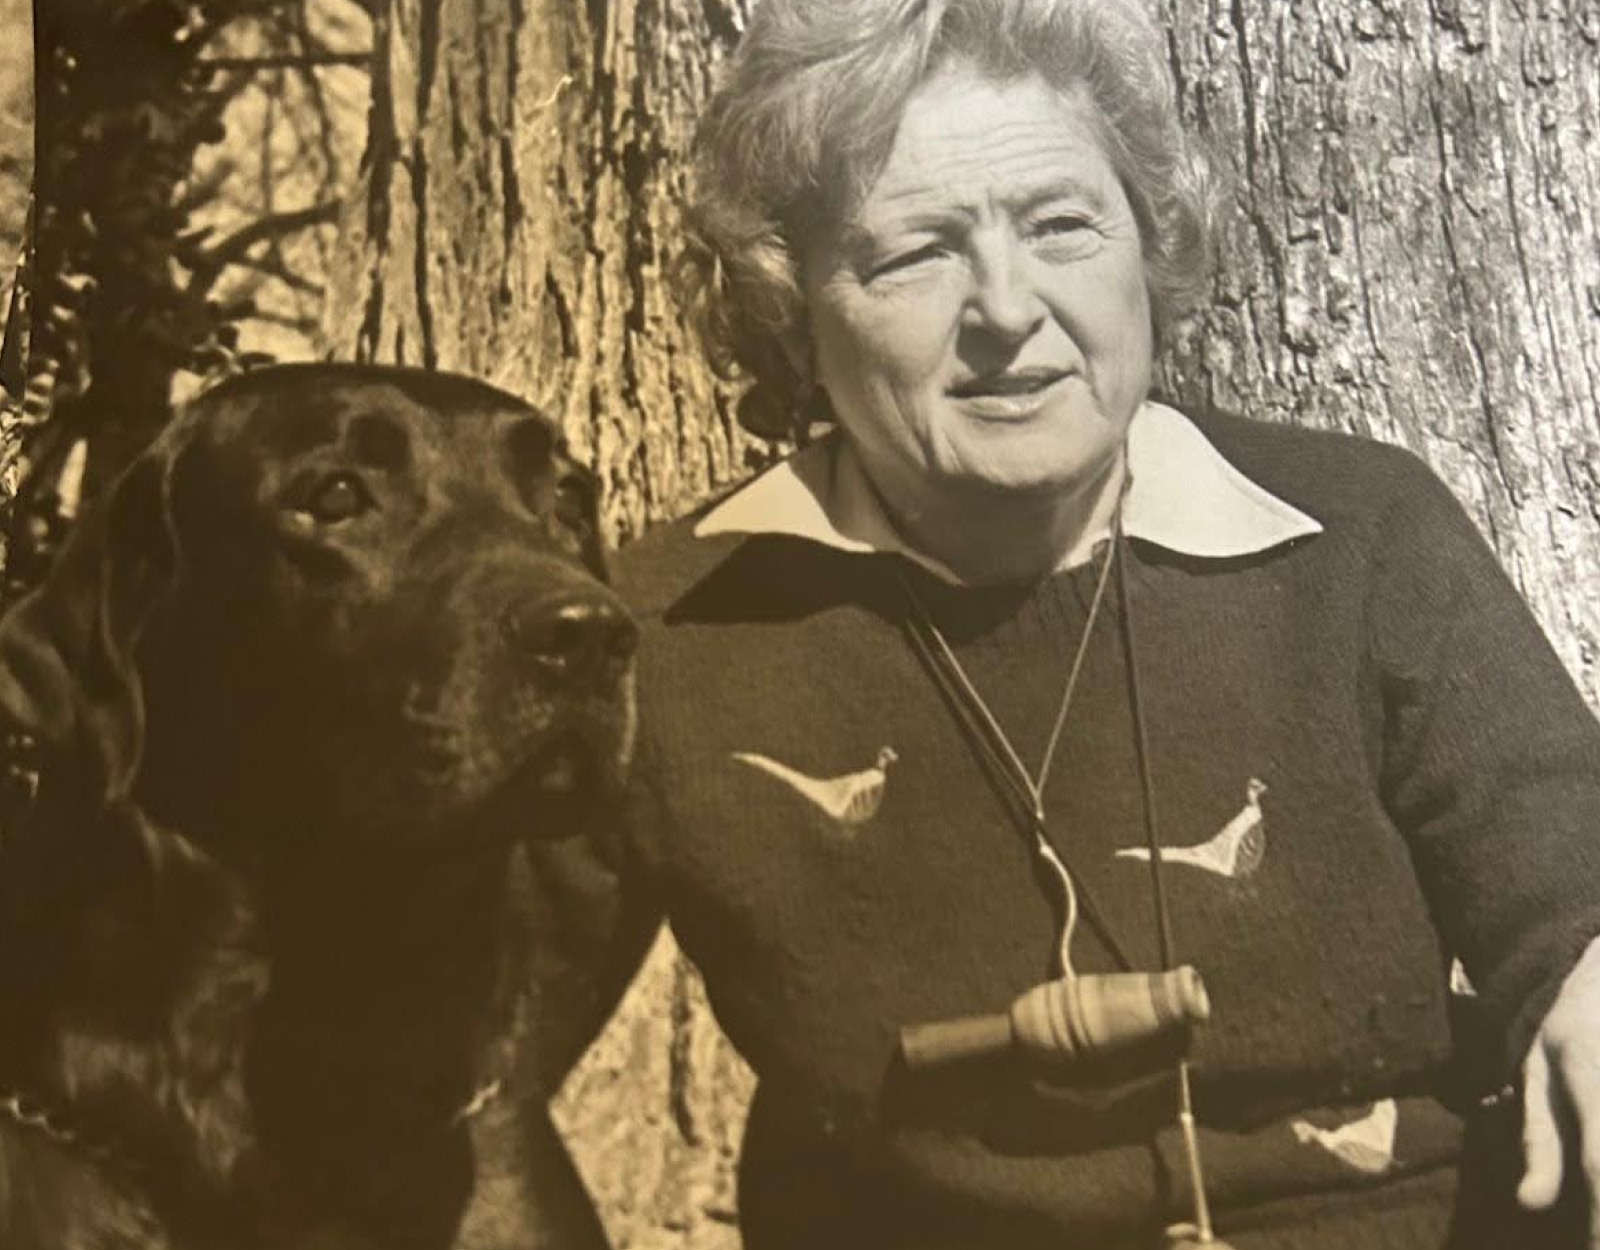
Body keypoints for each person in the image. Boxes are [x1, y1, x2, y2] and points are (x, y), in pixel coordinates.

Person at [601, 0, 1600, 1245]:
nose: (1006, 309)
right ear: (790, 303)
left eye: (1062, 225)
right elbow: (452, 1048)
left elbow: (1568, 891)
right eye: (913, 253)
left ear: (1148, 251)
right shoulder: (669, 629)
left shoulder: (1353, 534)